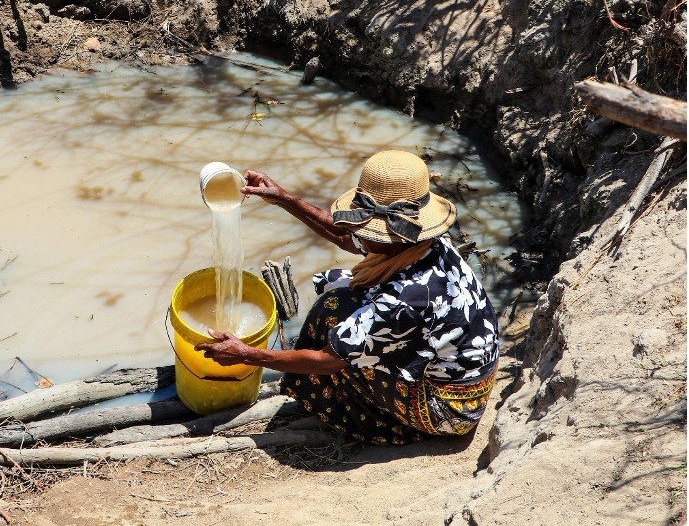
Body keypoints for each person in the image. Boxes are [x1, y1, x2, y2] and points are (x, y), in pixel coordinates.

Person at [194, 150, 499, 444]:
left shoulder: (405, 298)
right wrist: (283, 198)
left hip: (449, 409)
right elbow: (345, 237)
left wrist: (247, 354)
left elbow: (327, 361)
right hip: (467, 370)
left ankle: (341, 406)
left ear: (382, 236)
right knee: (339, 287)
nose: (356, 230)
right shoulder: (418, 242)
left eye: (363, 227)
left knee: (334, 318)